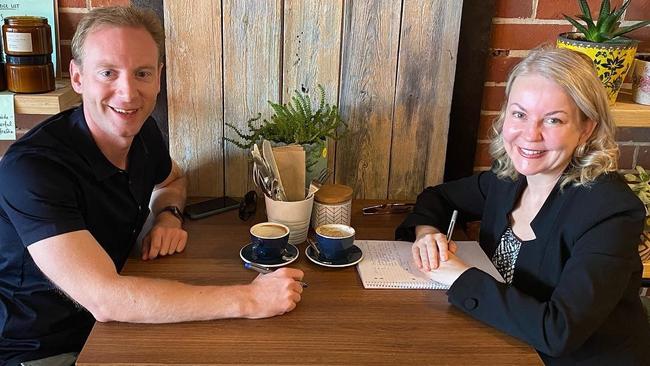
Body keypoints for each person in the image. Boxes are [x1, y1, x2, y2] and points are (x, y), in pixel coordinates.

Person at [0, 7, 304, 365]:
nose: (128, 94)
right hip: (40, 349)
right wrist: (251, 299)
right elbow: (105, 298)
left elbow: (172, 179)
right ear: (78, 77)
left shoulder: (143, 133)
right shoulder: (32, 169)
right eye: (108, 72)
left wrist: (168, 216)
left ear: (158, 78)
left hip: (119, 324)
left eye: (141, 73)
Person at [396, 47, 650, 364]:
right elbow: (438, 197)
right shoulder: (508, 178)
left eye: (554, 120)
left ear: (586, 129)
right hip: (506, 342)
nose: (530, 135)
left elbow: (559, 332)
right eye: (520, 114)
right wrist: (427, 235)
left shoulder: (610, 211)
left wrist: (459, 276)